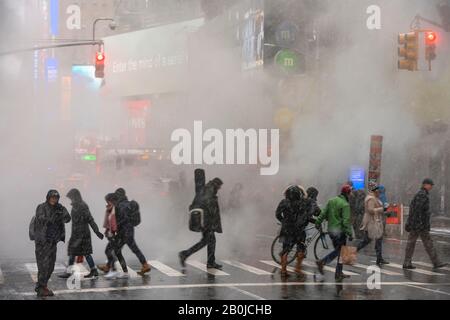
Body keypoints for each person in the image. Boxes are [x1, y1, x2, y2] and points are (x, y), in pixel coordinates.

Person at [58, 189, 104, 279]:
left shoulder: (82, 206)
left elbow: (90, 219)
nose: (71, 200)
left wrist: (96, 231)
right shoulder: (76, 206)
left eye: (71, 198)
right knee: (79, 252)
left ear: (75, 197)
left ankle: (70, 271)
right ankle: (93, 270)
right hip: (76, 233)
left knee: (80, 252)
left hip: (82, 234)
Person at [179, 177, 224, 269]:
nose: (219, 189)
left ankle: (209, 261)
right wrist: (213, 223)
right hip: (207, 221)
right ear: (216, 184)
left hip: (205, 220)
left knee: (207, 241)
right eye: (219, 186)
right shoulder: (209, 190)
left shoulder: (207, 189)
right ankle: (185, 254)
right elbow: (210, 207)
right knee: (208, 241)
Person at [403, 179, 448, 270]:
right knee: (426, 243)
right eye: (430, 184)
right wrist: (420, 223)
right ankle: (435, 262)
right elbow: (418, 210)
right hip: (420, 225)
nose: (431, 186)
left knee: (414, 243)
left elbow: (415, 210)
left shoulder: (421, 194)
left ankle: (407, 262)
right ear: (425, 185)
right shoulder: (422, 195)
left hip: (417, 224)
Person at [33, 190, 71, 297]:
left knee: (50, 266)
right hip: (42, 242)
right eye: (52, 197)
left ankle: (42, 285)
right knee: (43, 266)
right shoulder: (42, 207)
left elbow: (68, 218)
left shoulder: (60, 207)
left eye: (56, 197)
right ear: (48, 197)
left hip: (53, 241)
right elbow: (40, 218)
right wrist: (53, 218)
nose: (54, 199)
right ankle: (41, 288)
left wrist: (60, 215)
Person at [315, 185, 353, 281]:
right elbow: (346, 221)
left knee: (340, 251)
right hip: (340, 231)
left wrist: (318, 222)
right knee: (341, 251)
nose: (351, 194)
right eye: (350, 192)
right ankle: (323, 262)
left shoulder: (331, 201)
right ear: (347, 193)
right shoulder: (345, 205)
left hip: (331, 231)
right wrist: (350, 233)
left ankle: (338, 272)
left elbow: (323, 213)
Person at [275, 185, 312, 276]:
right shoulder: (303, 203)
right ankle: (298, 268)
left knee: (285, 249)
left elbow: (277, 214)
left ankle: (283, 270)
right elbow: (306, 216)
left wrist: (283, 221)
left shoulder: (284, 202)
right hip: (299, 229)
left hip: (287, 228)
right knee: (301, 248)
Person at [114, 188, 151, 276]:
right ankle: (144, 265)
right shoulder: (127, 204)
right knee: (130, 249)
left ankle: (126, 269)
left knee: (118, 250)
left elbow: (123, 219)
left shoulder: (121, 205)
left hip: (124, 231)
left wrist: (117, 227)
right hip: (129, 230)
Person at [97, 193, 129, 279]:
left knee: (109, 251)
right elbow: (110, 222)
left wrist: (116, 231)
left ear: (113, 201)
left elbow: (122, 221)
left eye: (108, 201)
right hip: (114, 235)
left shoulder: (118, 209)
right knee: (117, 253)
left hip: (118, 235)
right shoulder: (111, 208)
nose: (107, 203)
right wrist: (108, 230)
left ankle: (114, 270)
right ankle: (124, 272)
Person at [357, 185, 389, 266]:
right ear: (375, 191)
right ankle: (350, 252)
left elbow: (376, 209)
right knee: (367, 240)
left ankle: (379, 258)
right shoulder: (371, 199)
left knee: (378, 239)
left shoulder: (374, 198)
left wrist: (384, 212)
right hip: (371, 222)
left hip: (375, 221)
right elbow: (370, 210)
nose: (379, 193)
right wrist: (382, 209)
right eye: (378, 192)